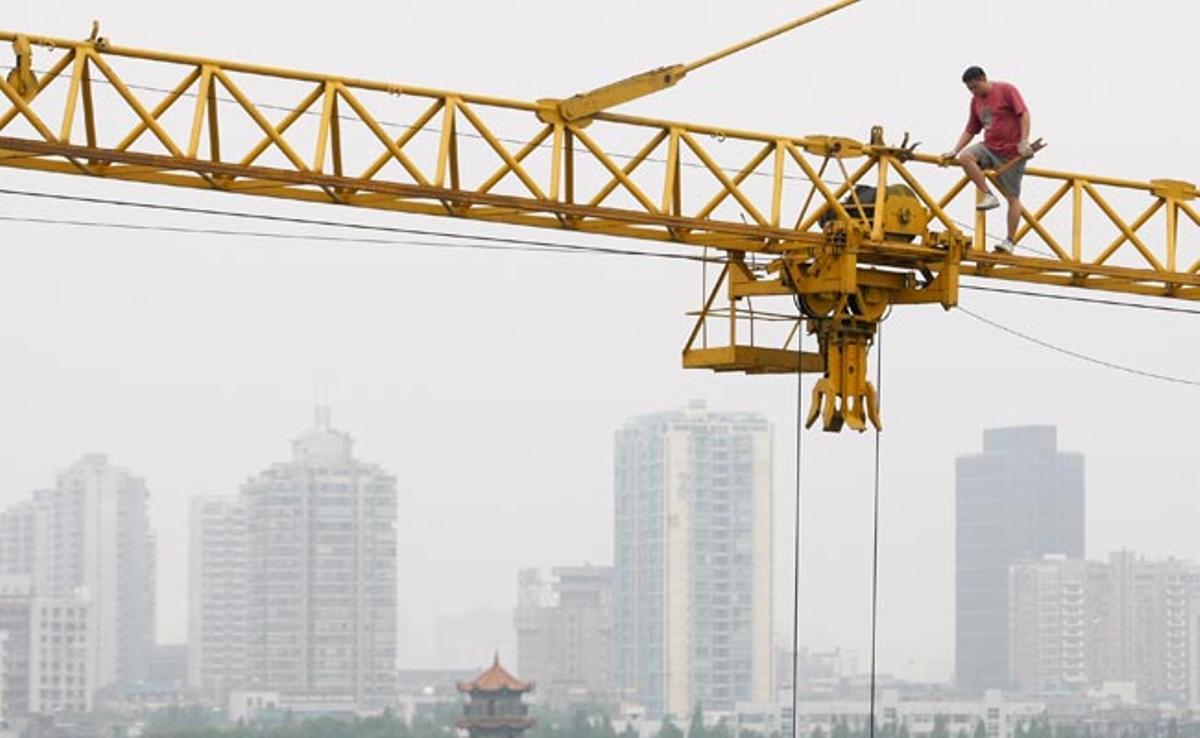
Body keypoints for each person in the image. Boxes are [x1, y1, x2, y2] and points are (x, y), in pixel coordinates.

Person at [943, 66, 1034, 254]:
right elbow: (971, 129)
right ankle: (988, 194)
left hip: (1012, 152)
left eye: (975, 87)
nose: (973, 91)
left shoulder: (1006, 90)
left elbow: (1024, 113)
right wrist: (955, 149)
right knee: (965, 157)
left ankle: (1009, 241)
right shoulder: (975, 101)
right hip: (989, 147)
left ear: (984, 79)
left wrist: (1024, 141)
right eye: (970, 89)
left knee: (1013, 197)